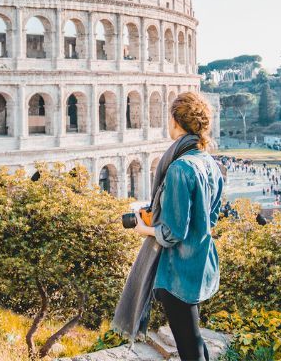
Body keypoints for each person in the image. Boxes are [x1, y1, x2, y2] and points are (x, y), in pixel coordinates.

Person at [112, 91, 224, 361]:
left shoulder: (179, 168)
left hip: (177, 270)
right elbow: (211, 217)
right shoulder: (209, 163)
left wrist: (145, 229)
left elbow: (172, 233)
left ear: (176, 121)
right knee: (192, 337)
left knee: (188, 344)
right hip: (201, 261)